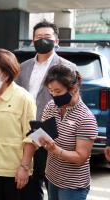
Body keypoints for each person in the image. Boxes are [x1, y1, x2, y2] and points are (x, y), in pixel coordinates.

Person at [16, 20, 76, 200]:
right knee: (30, 186)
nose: (42, 40)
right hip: (27, 130)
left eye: (47, 37)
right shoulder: (23, 66)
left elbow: (69, 103)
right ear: (33, 40)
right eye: (38, 37)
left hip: (52, 132)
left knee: (53, 185)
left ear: (56, 40)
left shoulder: (67, 67)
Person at [0, 49, 36, 200]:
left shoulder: (24, 98)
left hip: (14, 171)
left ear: (6, 74)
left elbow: (31, 137)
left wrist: (24, 167)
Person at [38, 64, 98, 200]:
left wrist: (55, 149)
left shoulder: (85, 118)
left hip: (73, 186)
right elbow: (45, 132)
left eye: (58, 91)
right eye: (51, 91)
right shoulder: (51, 106)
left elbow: (81, 158)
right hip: (52, 177)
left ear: (74, 88)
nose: (54, 96)